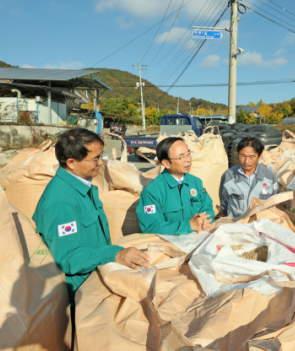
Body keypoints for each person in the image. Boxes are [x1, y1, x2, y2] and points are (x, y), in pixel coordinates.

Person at [33, 128, 150, 304]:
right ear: (71, 162)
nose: (101, 163)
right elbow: (68, 258)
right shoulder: (61, 202)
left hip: (96, 277)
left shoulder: (82, 187)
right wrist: (114, 255)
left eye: (100, 156)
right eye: (95, 159)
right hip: (81, 291)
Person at [137, 137, 214, 234]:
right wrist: (188, 225)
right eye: (181, 157)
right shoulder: (152, 192)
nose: (188, 160)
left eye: (189, 154)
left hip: (199, 236)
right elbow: (151, 227)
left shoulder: (196, 182)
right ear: (166, 163)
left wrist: (204, 222)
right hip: (168, 244)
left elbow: (207, 208)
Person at [219, 137, 278, 217]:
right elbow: (224, 203)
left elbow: (274, 200)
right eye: (243, 156)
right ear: (238, 154)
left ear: (259, 156)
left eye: (251, 157)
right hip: (236, 225)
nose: (246, 161)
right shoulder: (228, 176)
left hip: (262, 225)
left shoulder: (269, 176)